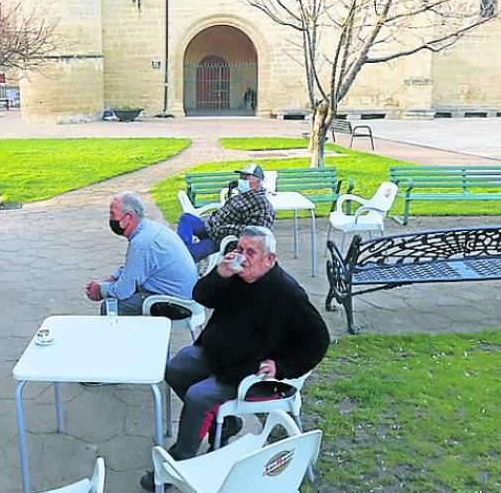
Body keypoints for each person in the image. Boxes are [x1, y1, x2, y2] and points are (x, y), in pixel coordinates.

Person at [141, 226, 329, 490]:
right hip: (214, 353)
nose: (242, 256)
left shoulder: (287, 292)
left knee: (198, 396)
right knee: (175, 369)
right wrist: (220, 273)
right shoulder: (235, 275)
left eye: (250, 252)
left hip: (248, 369)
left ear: (269, 259)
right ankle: (227, 424)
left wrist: (282, 366)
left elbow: (319, 339)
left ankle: (180, 459)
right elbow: (199, 296)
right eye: (239, 249)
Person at [85, 192, 198, 316]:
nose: (111, 219)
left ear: (129, 217)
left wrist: (100, 290)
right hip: (186, 295)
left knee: (110, 306)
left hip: (177, 304)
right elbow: (136, 269)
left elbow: (123, 291)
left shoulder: (141, 243)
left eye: (112, 214)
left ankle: (117, 335)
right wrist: (110, 280)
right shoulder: (151, 228)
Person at [176, 163, 274, 263]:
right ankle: (181, 251)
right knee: (187, 218)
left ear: (258, 181)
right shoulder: (242, 195)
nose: (241, 180)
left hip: (221, 239)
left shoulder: (262, 206)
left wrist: (225, 229)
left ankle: (182, 260)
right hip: (210, 229)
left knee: (189, 256)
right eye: (241, 177)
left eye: (246, 178)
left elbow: (257, 234)